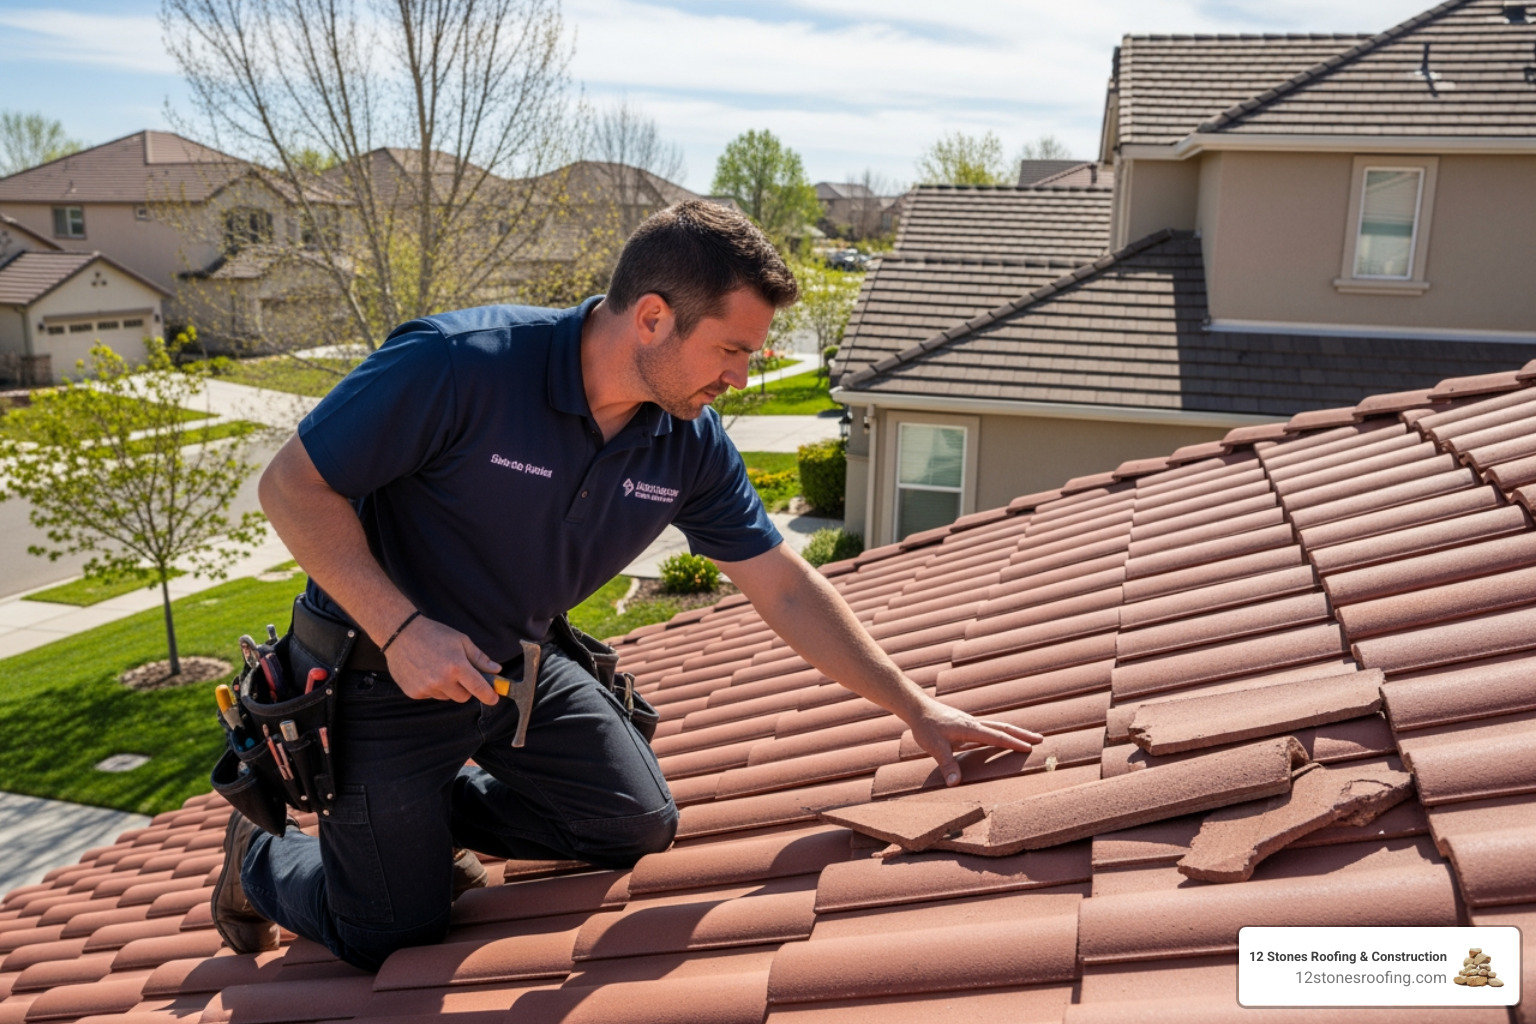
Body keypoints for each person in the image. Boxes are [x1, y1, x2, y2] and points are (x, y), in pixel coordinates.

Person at [214, 200, 1042, 970]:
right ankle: (257, 858)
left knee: (634, 822)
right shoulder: (458, 366)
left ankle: (421, 816)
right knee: (390, 930)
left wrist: (913, 705)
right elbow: (291, 487)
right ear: (652, 317)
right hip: (380, 670)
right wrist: (400, 631)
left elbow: (782, 585)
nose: (743, 378)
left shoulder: (687, 444)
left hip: (513, 665)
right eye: (732, 350)